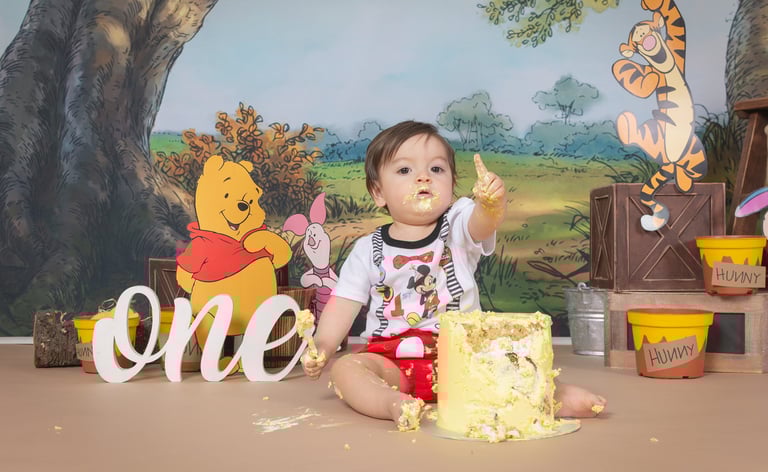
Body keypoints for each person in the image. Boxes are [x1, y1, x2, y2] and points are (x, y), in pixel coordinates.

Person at [302, 120, 606, 431]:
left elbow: (482, 223)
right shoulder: (367, 249)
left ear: (451, 184)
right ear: (378, 192)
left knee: (509, 367)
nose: (423, 177)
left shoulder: (458, 226)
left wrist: (490, 204)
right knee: (347, 369)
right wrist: (323, 346)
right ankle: (392, 403)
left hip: (462, 356)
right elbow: (344, 303)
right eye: (405, 171)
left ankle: (552, 396)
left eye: (436, 169)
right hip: (391, 360)